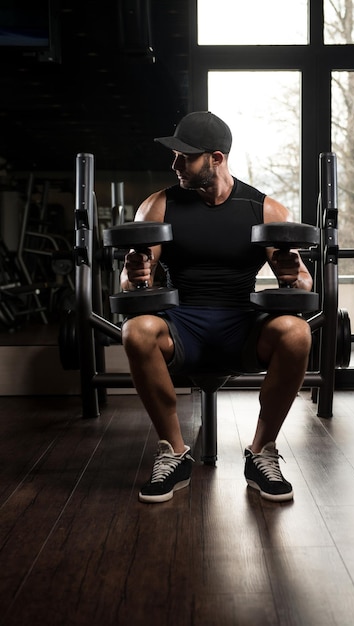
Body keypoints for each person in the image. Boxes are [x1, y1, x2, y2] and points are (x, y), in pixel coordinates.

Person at [120, 111, 313, 504]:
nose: (174, 165)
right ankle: (174, 453)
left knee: (297, 332)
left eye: (184, 157)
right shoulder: (158, 206)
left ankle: (262, 453)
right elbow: (134, 286)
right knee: (135, 330)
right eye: (173, 156)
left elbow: (304, 285)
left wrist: (293, 276)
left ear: (216, 158)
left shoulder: (264, 209)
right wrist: (133, 274)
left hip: (242, 326)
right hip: (180, 326)